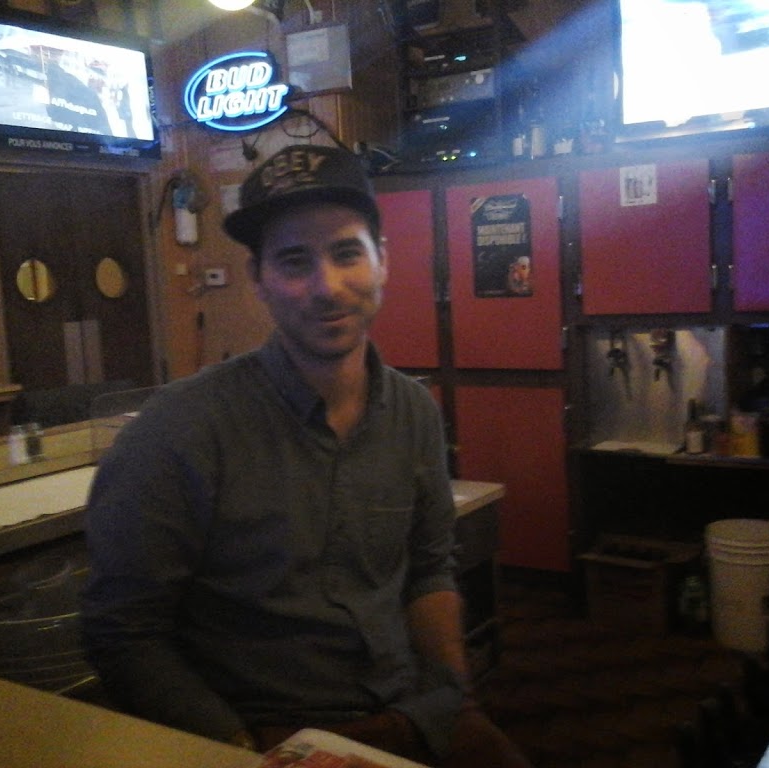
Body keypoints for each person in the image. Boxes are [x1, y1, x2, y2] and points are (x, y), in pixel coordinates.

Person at [81, 144, 533, 768]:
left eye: (347, 253)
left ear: (382, 260)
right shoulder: (177, 430)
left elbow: (429, 571)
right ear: (258, 280)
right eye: (294, 261)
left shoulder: (414, 412)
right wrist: (246, 752)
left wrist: (457, 699)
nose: (327, 287)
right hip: (267, 733)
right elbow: (123, 632)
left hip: (415, 711)